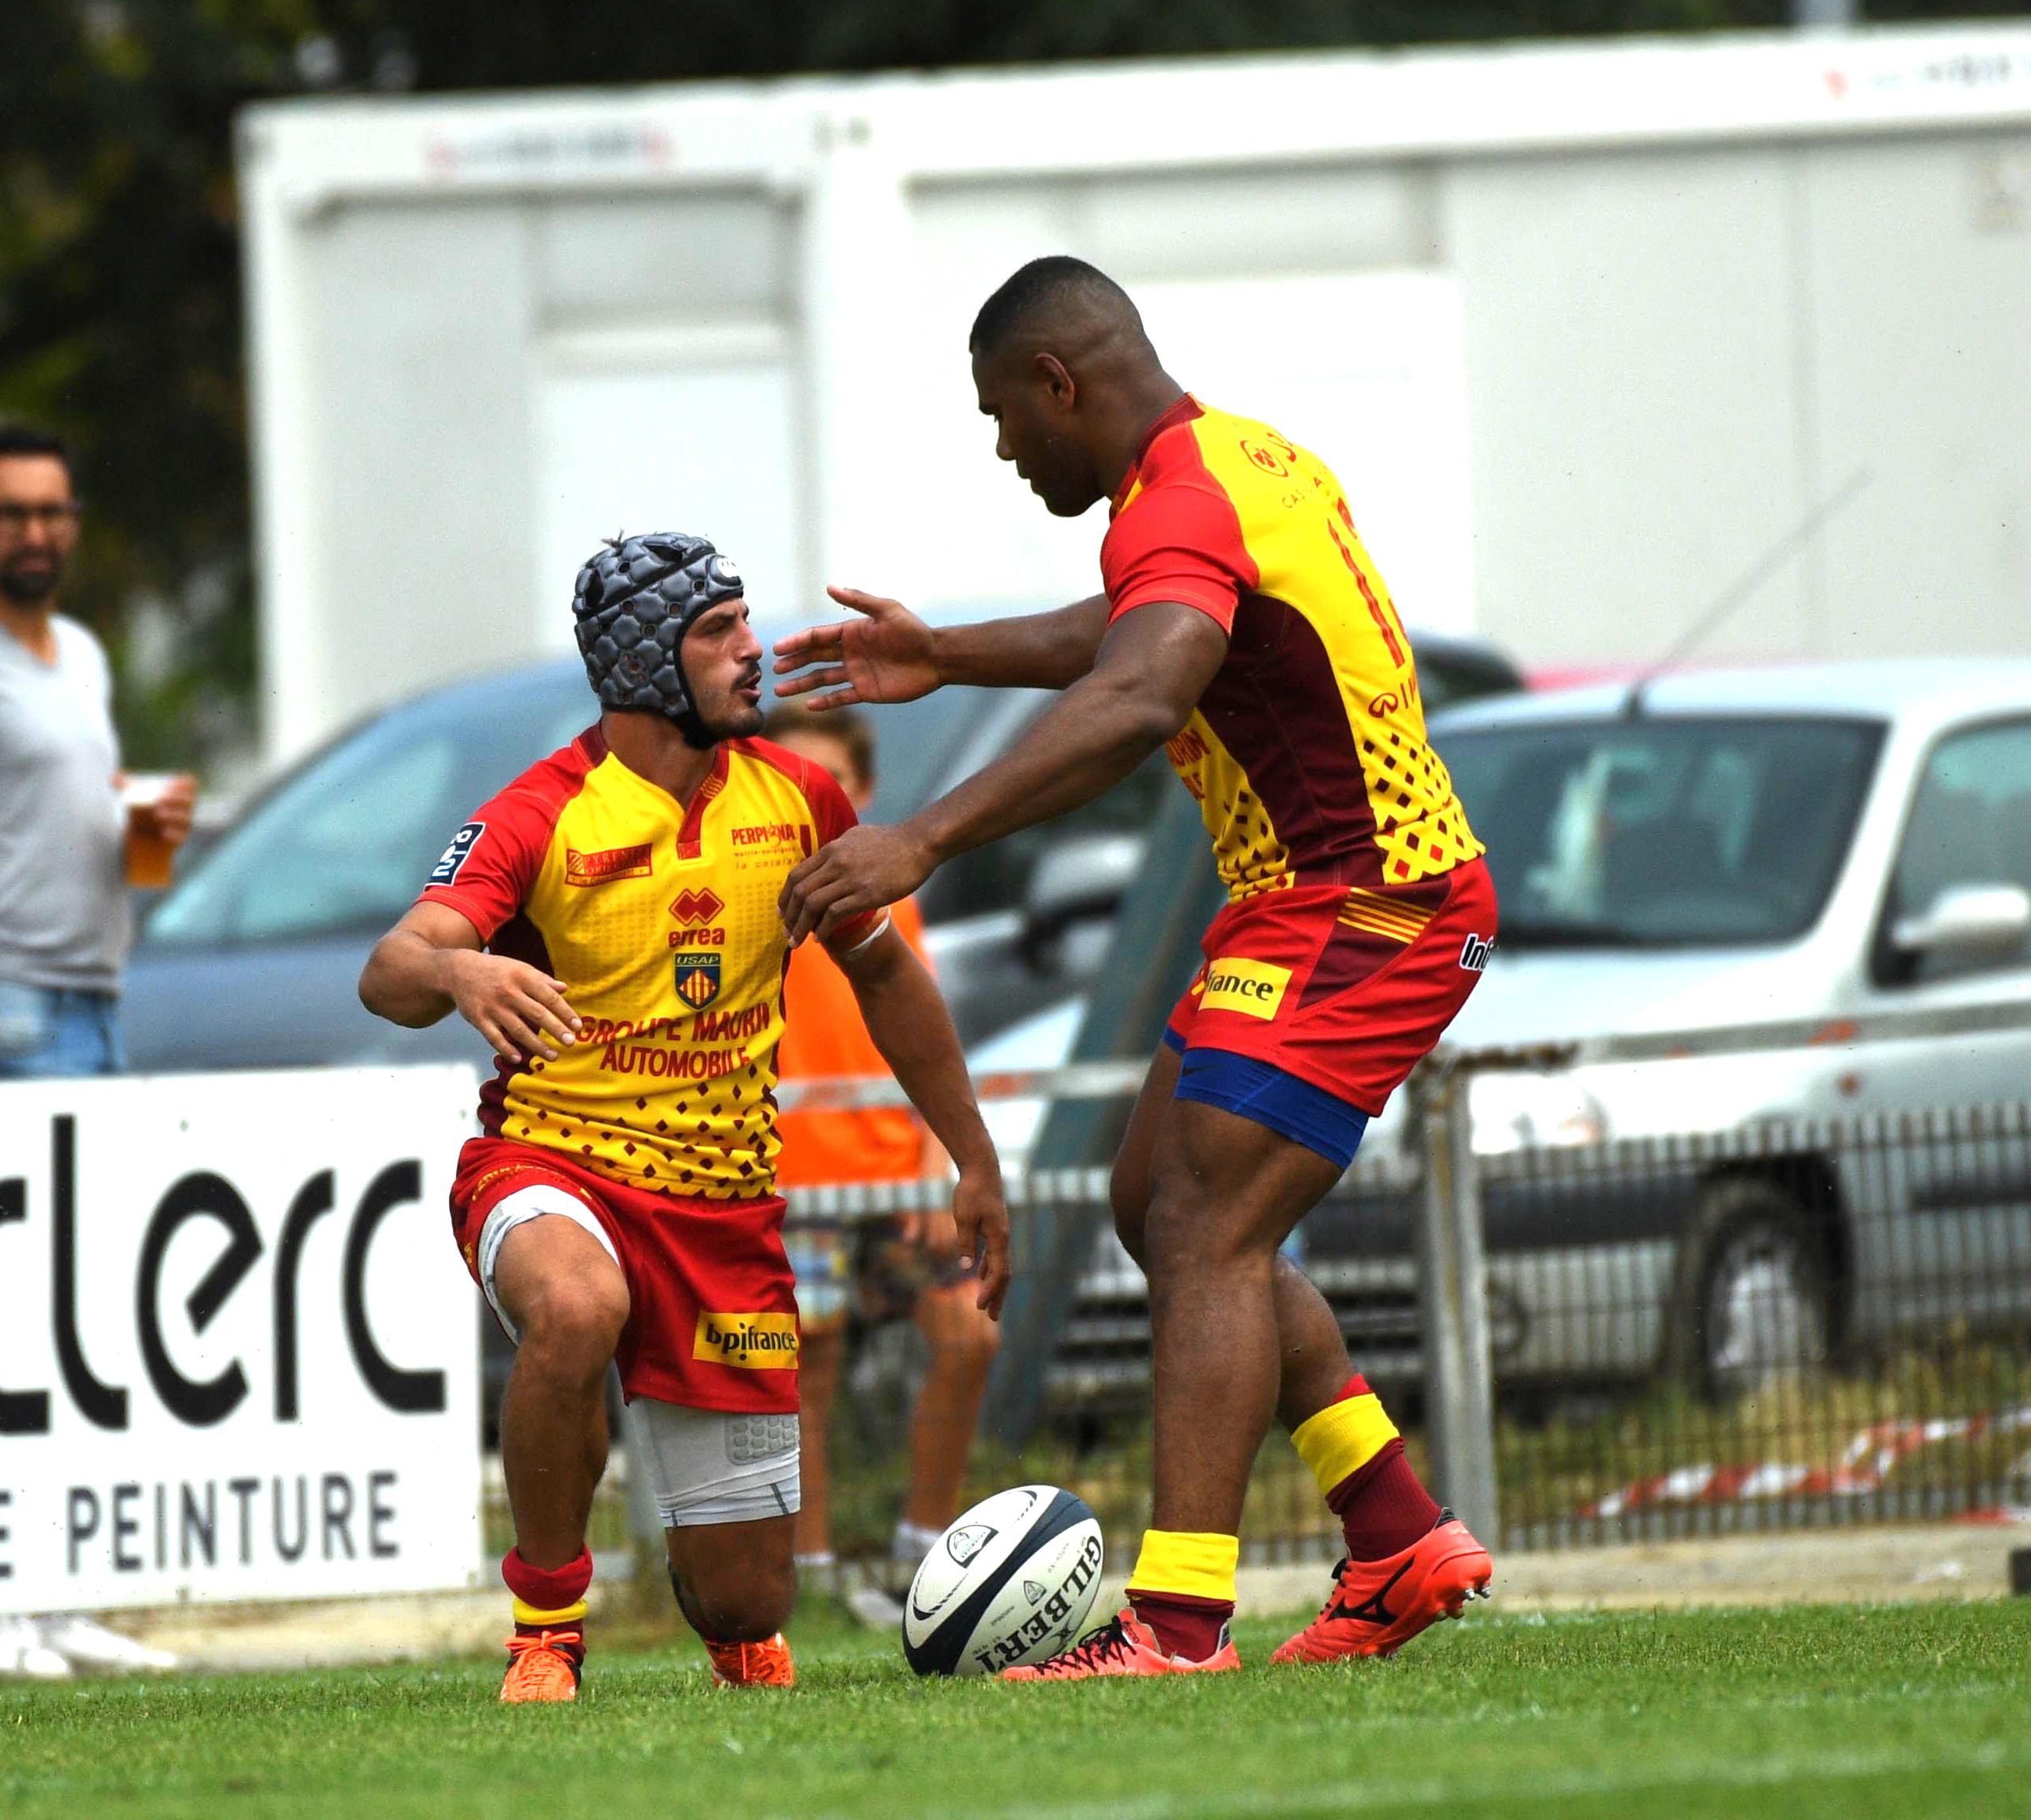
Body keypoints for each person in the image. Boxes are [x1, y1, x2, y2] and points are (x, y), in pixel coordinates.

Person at [774, 256, 1497, 1679]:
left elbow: (1143, 684)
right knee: (1151, 1200)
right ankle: (1397, 1531)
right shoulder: (1234, 458)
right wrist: (943, 655)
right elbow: (1140, 628)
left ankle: (1176, 1623)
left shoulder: (1178, 498)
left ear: (1056, 381)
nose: (1000, 449)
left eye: (1000, 417)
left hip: (1373, 903)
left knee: (1204, 1226)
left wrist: (918, 836)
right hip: (1304, 901)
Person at [358, 534, 1010, 1705]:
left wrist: (970, 1153)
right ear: (642, 660)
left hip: (720, 1208)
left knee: (748, 1606)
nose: (749, 651)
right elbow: (393, 966)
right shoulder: (540, 812)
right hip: (550, 1162)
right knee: (576, 1306)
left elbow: (889, 982)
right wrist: (460, 976)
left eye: (743, 623)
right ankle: (545, 1629)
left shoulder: (800, 797)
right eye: (717, 631)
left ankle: (726, 1618)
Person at [0, 419, 195, 1683]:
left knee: (77, 1317)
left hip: (91, 998)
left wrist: (141, 832)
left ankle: (59, 1598)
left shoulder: (84, 656)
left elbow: (60, 821)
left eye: (52, 511)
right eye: (8, 512)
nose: (34, 534)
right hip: (1, 1007)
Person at [760, 706, 994, 1625]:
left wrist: (940, 1161)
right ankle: (809, 1576)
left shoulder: (889, 890)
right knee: (803, 1373)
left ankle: (922, 1554)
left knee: (969, 1331)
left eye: (830, 783)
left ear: (861, 793)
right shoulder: (750, 891)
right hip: (796, 1175)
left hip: (895, 1175)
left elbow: (921, 1032)